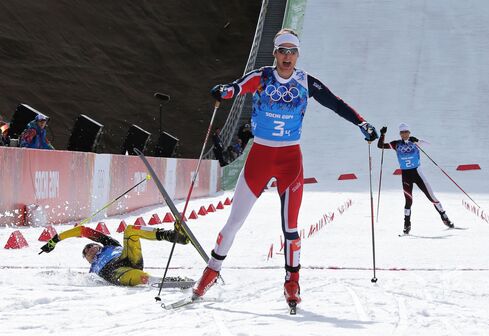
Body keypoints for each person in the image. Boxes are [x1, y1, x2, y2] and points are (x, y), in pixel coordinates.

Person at [193, 28, 378, 306]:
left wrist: (361, 122)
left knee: (290, 227)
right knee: (233, 223)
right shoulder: (262, 76)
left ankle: (292, 282)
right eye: (282, 51)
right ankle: (211, 272)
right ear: (275, 53)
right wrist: (223, 91)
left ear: (298, 54)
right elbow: (236, 87)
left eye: (292, 51)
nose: (287, 56)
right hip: (260, 158)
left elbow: (336, 104)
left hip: (290, 160)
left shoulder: (306, 82)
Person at [40, 224, 192, 287]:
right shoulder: (92, 272)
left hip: (128, 257)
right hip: (114, 272)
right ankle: (169, 281)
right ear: (87, 261)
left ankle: (174, 236)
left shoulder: (108, 243)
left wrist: (54, 241)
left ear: (97, 244)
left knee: (130, 229)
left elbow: (81, 230)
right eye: (86, 253)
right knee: (139, 277)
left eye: (90, 246)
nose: (89, 250)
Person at [377, 123, 454, 234]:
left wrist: (417, 140)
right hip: (406, 175)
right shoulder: (396, 144)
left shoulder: (414, 142)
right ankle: (407, 224)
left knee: (431, 196)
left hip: (418, 174)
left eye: (406, 132)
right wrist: (382, 134)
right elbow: (380, 146)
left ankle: (444, 217)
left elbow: (429, 144)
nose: (404, 134)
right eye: (402, 132)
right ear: (400, 134)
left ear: (409, 132)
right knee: (408, 201)